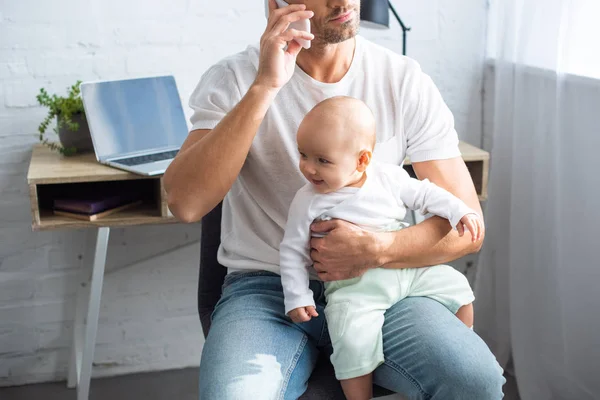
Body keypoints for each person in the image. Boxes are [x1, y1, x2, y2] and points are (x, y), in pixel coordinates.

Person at [164, 0, 505, 398]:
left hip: (384, 286)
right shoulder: (235, 79)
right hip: (267, 290)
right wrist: (265, 87)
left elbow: (469, 231)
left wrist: (377, 249)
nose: (344, 2)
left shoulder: (401, 79)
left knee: (476, 382)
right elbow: (185, 203)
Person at [281, 96, 482, 400]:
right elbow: (292, 250)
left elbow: (427, 194)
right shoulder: (308, 200)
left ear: (361, 160)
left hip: (406, 268)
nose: (308, 168)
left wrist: (459, 211)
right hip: (355, 286)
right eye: (303, 155)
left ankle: (462, 339)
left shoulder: (387, 177)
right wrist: (297, 295)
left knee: (458, 287)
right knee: (352, 339)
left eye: (322, 160)